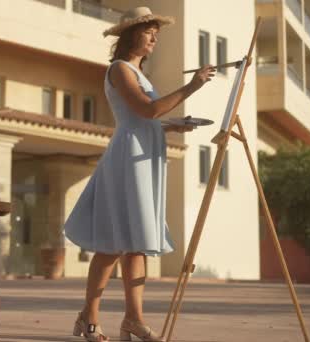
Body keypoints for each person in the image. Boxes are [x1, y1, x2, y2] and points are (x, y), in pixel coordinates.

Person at [62, 6, 216, 342]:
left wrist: (171, 125)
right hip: (128, 161)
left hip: (143, 160)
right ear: (132, 34)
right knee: (111, 245)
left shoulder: (139, 74)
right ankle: (89, 317)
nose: (154, 37)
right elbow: (147, 109)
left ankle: (133, 319)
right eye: (149, 31)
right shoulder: (119, 70)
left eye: (156, 33)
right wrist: (192, 87)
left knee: (136, 245)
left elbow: (145, 118)